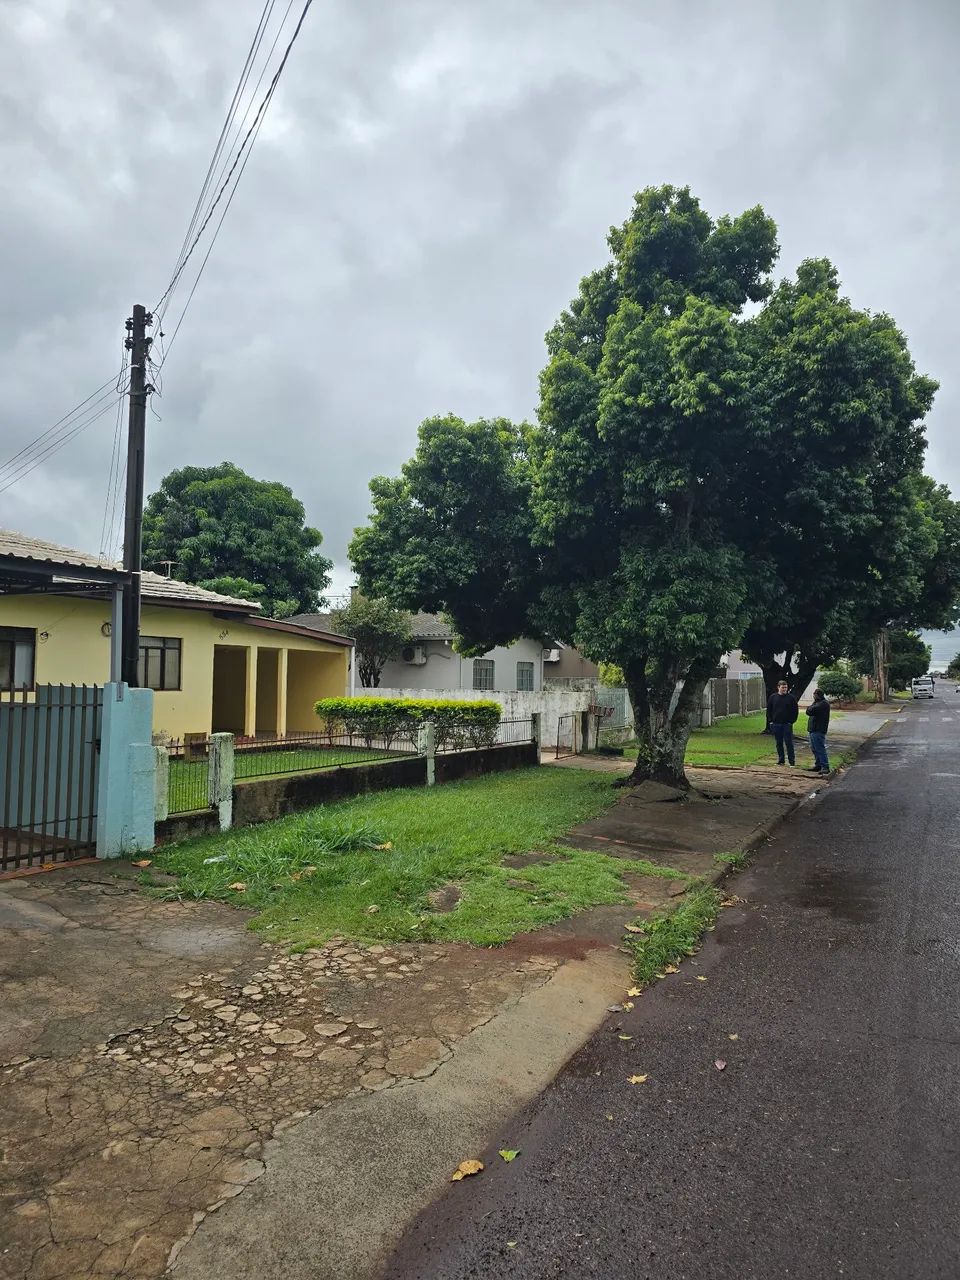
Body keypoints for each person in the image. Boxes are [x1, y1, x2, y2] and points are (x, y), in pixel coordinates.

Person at [767, 679, 799, 765]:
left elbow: (795, 711)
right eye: (783, 687)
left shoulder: (791, 698)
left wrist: (791, 721)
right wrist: (770, 721)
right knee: (779, 743)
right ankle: (781, 760)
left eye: (786, 687)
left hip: (787, 724)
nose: (785, 689)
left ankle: (792, 761)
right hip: (776, 724)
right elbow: (769, 710)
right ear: (778, 687)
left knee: (789, 743)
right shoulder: (773, 697)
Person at [805, 688, 831, 774]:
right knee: (814, 748)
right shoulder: (818, 703)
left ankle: (825, 766)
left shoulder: (823, 704)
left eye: (815, 694)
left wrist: (810, 707)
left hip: (818, 729)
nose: (814, 696)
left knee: (820, 748)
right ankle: (818, 764)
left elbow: (810, 711)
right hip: (813, 729)